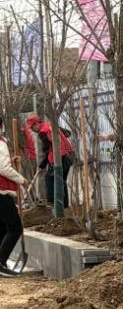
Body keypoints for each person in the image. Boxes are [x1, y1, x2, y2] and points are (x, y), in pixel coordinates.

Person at [0, 121, 28, 277]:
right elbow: (2, 168)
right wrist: (20, 179)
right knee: (15, 227)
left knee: (3, 228)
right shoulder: (1, 143)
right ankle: (1, 261)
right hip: (2, 192)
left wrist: (10, 161)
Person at [32, 115, 74, 210]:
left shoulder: (43, 132)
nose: (33, 130)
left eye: (32, 127)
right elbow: (68, 133)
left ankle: (52, 204)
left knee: (50, 179)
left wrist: (42, 165)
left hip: (58, 158)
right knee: (61, 181)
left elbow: (47, 151)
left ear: (37, 124)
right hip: (68, 156)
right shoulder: (52, 126)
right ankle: (64, 206)